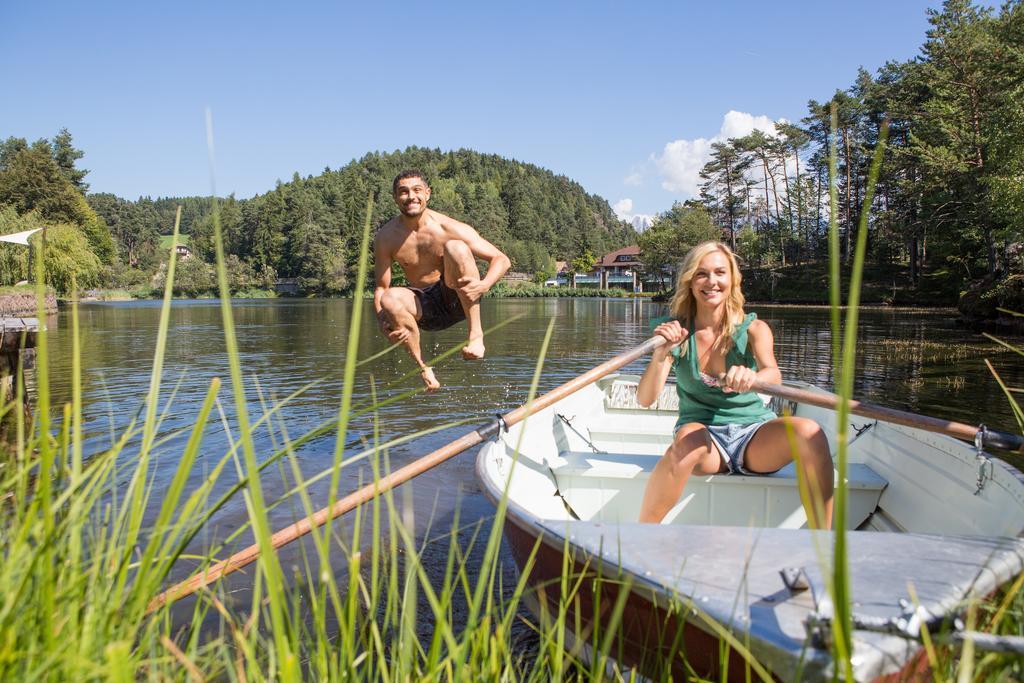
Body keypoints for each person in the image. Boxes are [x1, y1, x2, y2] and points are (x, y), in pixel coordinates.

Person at [636, 241, 834, 529]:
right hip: (704, 442)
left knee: (810, 432)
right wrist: (660, 352)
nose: (712, 281)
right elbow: (645, 398)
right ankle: (640, 536)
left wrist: (753, 379)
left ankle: (825, 544)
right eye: (702, 274)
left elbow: (773, 374)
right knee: (687, 440)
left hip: (755, 437)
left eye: (720, 272)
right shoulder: (675, 331)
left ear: (732, 280)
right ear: (690, 281)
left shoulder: (754, 329)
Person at [374, 170, 511, 391]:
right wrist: (383, 322)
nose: (411, 197)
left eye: (417, 190)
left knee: (455, 247)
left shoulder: (448, 228)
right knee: (389, 299)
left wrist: (484, 285)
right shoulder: (386, 237)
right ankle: (424, 369)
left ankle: (476, 335)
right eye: (403, 192)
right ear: (395, 197)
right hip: (424, 309)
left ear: (427, 194)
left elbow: (501, 259)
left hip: (456, 297)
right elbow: (381, 287)